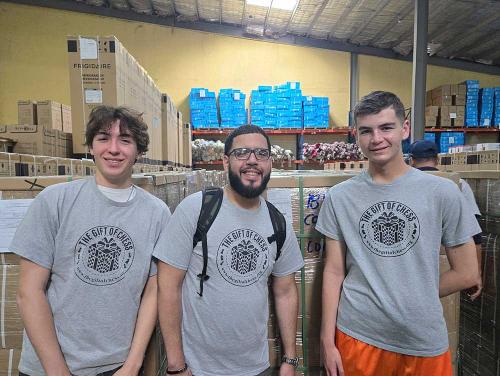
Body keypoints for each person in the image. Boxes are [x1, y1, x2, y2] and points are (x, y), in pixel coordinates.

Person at [316, 91, 481, 376]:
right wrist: (326, 340)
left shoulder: (442, 192)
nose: (376, 139)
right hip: (358, 335)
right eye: (366, 131)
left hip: (422, 340)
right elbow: (333, 271)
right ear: (356, 136)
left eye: (386, 127)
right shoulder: (340, 197)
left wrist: (410, 294)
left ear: (404, 129)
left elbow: (467, 272)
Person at [12, 106, 171, 376]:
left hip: (116, 366)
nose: (114, 149)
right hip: (48, 367)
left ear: (139, 151)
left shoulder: (157, 213)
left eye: (125, 140)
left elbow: (155, 290)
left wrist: (132, 364)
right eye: (103, 138)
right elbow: (28, 292)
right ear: (90, 147)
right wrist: (57, 371)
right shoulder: (55, 201)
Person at [155, 125, 304, 376]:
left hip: (256, 367)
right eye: (242, 153)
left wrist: (290, 359)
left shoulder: (277, 222)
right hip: (198, 368)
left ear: (270, 162)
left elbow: (286, 292)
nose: (252, 161)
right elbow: (168, 286)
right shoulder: (196, 209)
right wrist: (177, 365)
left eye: (261, 153)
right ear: (226, 162)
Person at [409, 139, 483, 300]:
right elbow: (474, 234)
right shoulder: (457, 184)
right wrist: (475, 272)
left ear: (412, 160)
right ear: (437, 159)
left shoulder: (404, 185)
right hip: (450, 269)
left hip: (412, 272)